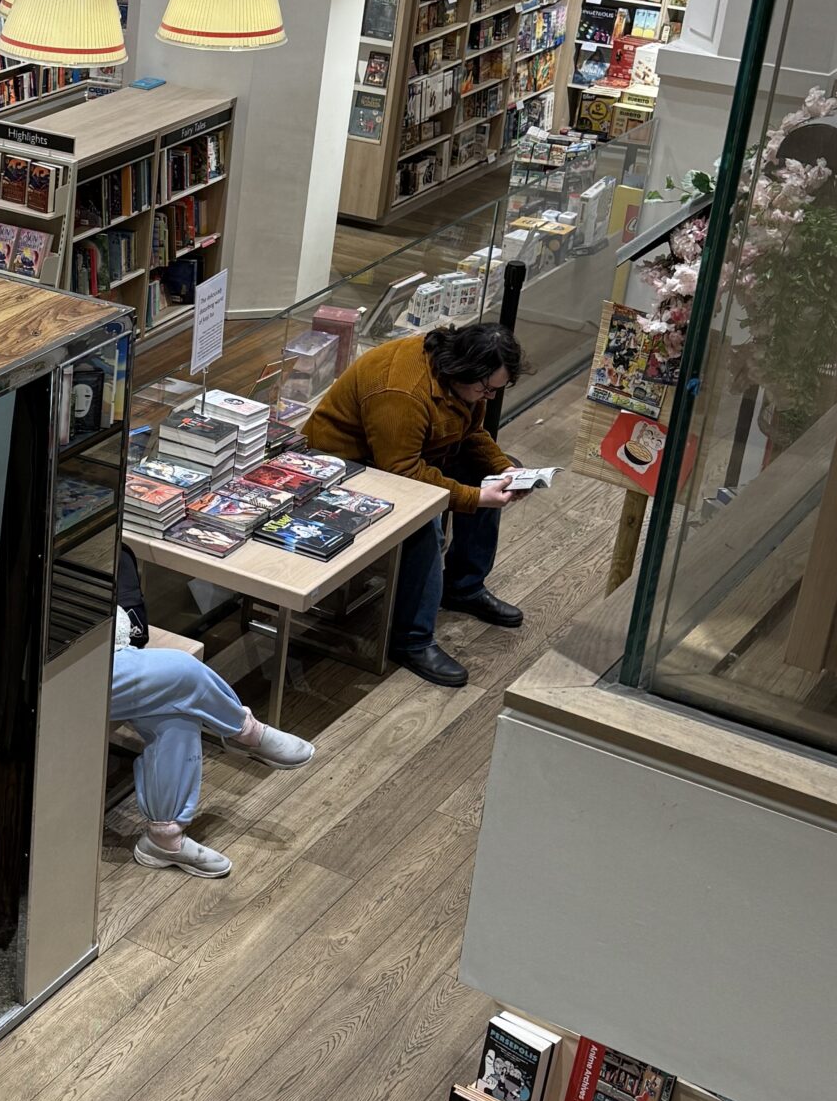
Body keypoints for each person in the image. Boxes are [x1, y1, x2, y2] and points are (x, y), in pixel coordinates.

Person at [301, 319, 528, 691]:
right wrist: (475, 498)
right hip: (341, 469)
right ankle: (411, 639)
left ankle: (465, 587)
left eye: (495, 391)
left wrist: (502, 468)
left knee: (488, 478)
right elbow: (402, 473)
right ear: (462, 370)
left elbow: (470, 432)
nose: (489, 397)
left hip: (400, 455)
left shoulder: (456, 378)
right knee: (424, 519)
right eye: (486, 389)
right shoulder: (401, 391)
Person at [111, 549, 314, 878]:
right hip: (61, 667)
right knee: (184, 673)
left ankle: (164, 838)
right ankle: (245, 731)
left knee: (176, 715)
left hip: (107, 649)